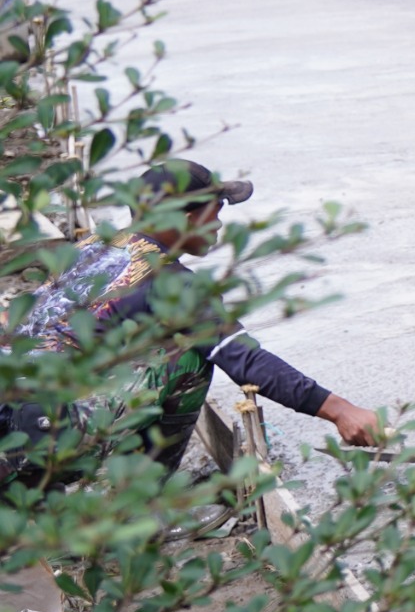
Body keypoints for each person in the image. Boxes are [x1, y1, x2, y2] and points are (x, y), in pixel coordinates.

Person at [2, 160, 382, 488]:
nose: (218, 225)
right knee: (191, 357)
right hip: (41, 439)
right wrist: (339, 410)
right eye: (215, 211)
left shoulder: (92, 249)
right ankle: (139, 504)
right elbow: (246, 360)